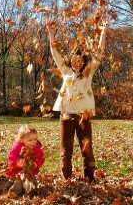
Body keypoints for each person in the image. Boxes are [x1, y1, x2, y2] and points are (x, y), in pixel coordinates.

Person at [46, 18, 109, 182]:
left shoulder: (89, 72)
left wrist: (103, 32)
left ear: (84, 61)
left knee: (87, 150)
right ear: (70, 61)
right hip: (67, 116)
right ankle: (66, 179)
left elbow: (100, 51)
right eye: (74, 59)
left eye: (80, 60)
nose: (77, 62)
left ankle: (89, 179)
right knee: (65, 152)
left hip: (84, 116)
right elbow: (54, 52)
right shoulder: (65, 70)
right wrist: (51, 33)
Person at [6, 125, 45, 197]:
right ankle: (15, 194)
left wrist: (35, 164)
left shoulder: (37, 147)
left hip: (30, 171)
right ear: (22, 139)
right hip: (18, 171)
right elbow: (11, 157)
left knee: (33, 185)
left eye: (35, 139)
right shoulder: (18, 146)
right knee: (18, 185)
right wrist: (19, 162)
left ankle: (31, 194)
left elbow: (41, 158)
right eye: (30, 140)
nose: (33, 142)